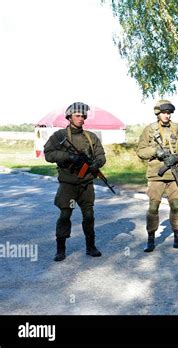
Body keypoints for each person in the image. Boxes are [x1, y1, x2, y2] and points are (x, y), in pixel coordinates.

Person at [44, 102, 106, 261]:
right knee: (65, 215)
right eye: (78, 115)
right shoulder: (59, 136)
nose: (81, 118)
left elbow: (101, 156)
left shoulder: (90, 137)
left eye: (83, 116)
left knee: (89, 216)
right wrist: (68, 157)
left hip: (86, 185)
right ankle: (60, 249)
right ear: (69, 117)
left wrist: (96, 164)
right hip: (69, 185)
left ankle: (91, 246)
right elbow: (49, 154)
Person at [137, 99, 178, 252]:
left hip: (174, 175)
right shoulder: (149, 130)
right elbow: (141, 151)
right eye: (164, 113)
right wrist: (156, 151)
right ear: (158, 113)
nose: (167, 115)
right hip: (156, 176)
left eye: (169, 113)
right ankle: (151, 239)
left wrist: (177, 158)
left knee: (175, 207)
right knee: (153, 207)